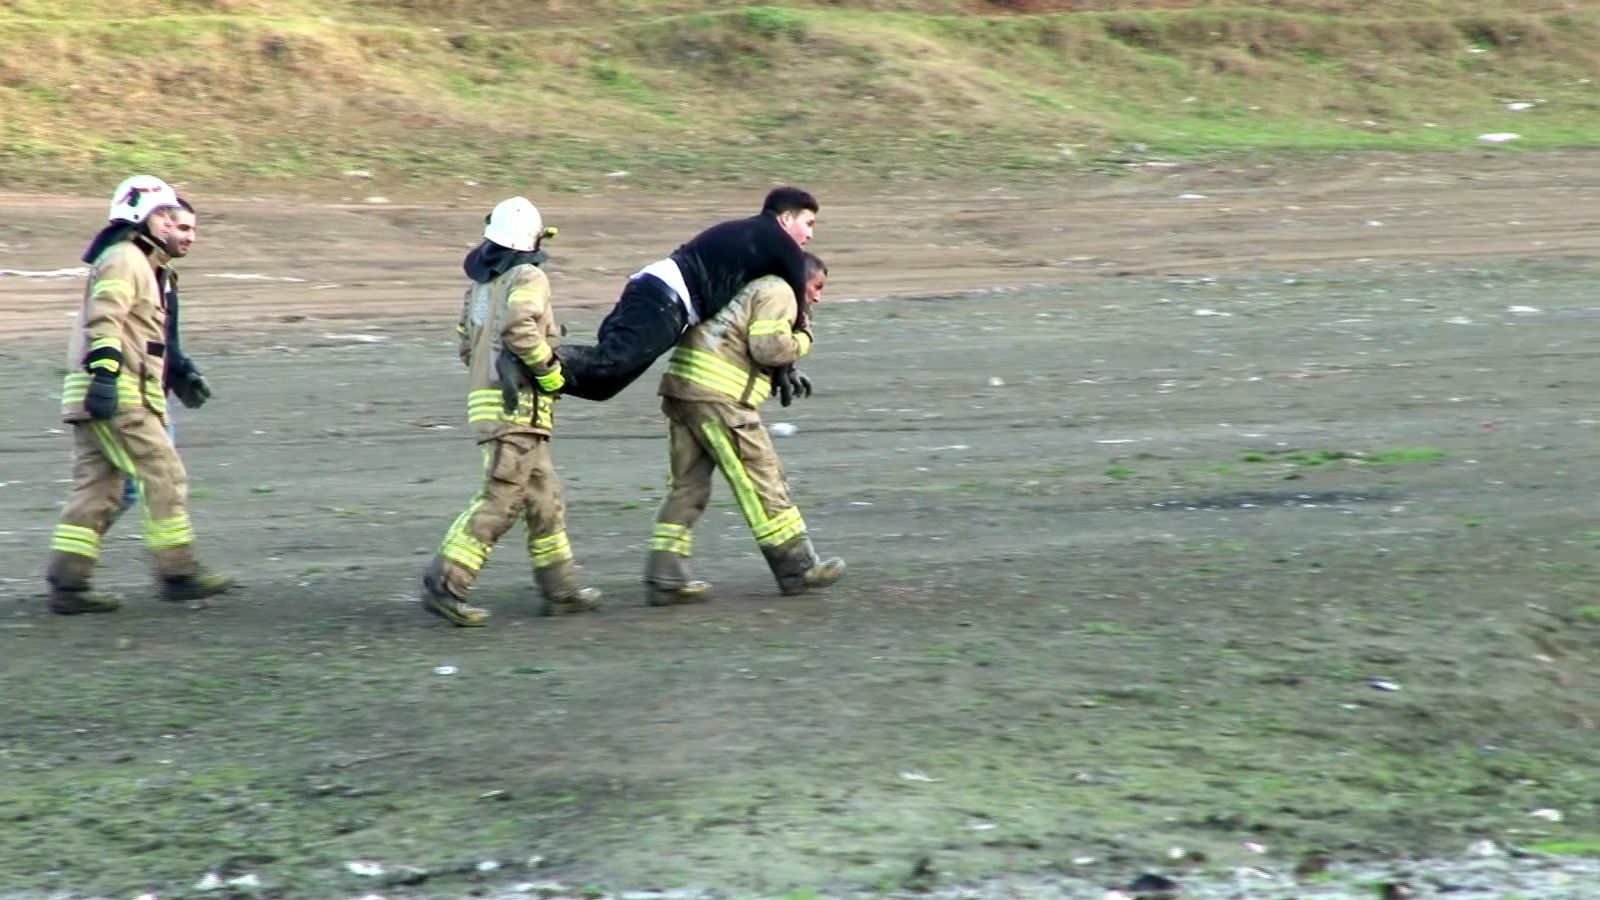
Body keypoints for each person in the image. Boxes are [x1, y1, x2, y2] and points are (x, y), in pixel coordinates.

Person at [44, 176, 233, 614]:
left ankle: (68, 584)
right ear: (142, 217)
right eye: (168, 219)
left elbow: (146, 333)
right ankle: (177, 573)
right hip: (118, 392)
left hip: (107, 390)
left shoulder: (147, 266)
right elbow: (105, 320)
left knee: (99, 489)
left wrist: (179, 371)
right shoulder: (125, 259)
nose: (179, 230)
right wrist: (107, 379)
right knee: (163, 474)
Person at [420, 197, 601, 627]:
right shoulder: (528, 276)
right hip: (516, 406)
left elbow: (467, 345)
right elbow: (520, 328)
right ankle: (446, 582)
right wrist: (551, 372)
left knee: (544, 498)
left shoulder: (481, 287)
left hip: (490, 403)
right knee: (501, 499)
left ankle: (561, 589)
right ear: (532, 240)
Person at [643, 251, 844, 605]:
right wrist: (804, 339)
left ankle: (665, 575)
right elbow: (768, 347)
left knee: (688, 486)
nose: (817, 297)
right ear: (801, 278)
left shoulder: (747, 285)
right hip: (718, 397)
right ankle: (797, 568)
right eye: (816, 287)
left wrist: (787, 370)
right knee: (760, 476)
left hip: (683, 389)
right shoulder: (781, 291)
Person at [560, 186, 819, 403]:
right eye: (808, 224)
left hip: (658, 293)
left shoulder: (753, 233)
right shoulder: (783, 245)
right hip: (664, 296)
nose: (810, 234)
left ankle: (537, 381)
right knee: (611, 364)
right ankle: (529, 360)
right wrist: (788, 365)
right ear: (785, 218)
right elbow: (797, 310)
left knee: (603, 387)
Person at [111, 198, 210, 515]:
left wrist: (183, 372)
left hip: (150, 393)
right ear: (156, 224)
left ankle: (71, 561)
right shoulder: (135, 269)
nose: (190, 237)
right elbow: (112, 328)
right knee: (152, 484)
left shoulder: (164, 275)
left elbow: (164, 341)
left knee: (115, 490)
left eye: (193, 229)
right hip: (131, 395)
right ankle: (174, 562)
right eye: (182, 227)